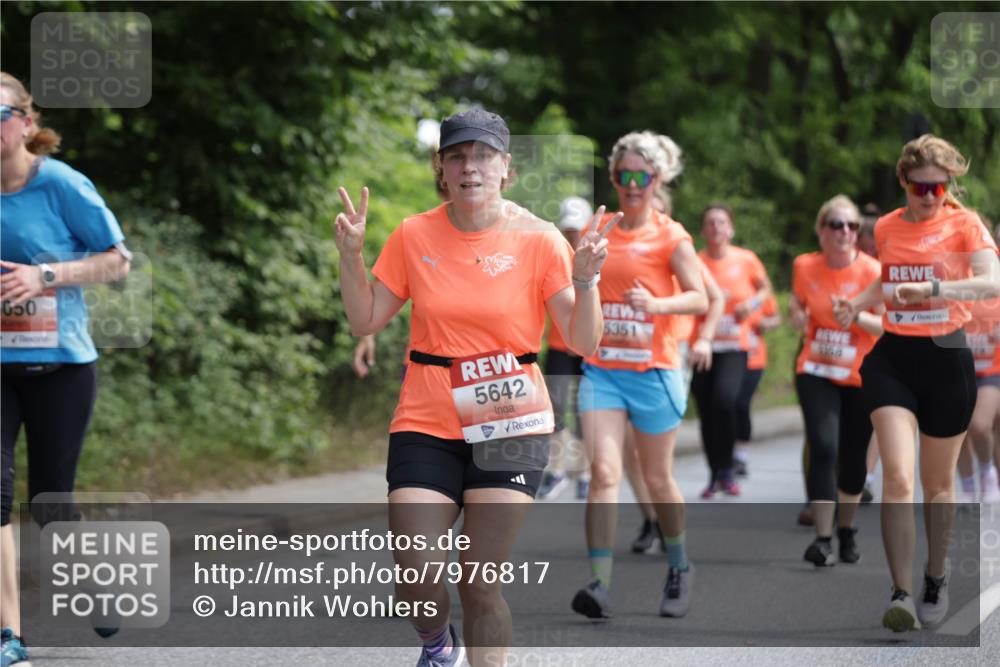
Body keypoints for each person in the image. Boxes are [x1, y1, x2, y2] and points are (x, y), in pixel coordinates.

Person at [334, 108, 617, 667]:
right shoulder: (414, 235)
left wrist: (586, 281)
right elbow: (365, 319)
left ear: (505, 167)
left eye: (483, 155)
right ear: (441, 167)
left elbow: (583, 341)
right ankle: (439, 647)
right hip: (426, 416)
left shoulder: (538, 239)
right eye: (457, 156)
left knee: (479, 582)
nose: (470, 167)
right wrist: (350, 257)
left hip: (510, 419)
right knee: (415, 568)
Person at [833, 134, 1000, 632]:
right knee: (898, 479)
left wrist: (931, 288)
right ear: (904, 181)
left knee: (938, 486)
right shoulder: (885, 226)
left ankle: (936, 574)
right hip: (893, 357)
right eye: (921, 187)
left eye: (940, 187)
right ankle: (901, 592)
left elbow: (991, 282)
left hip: (947, 357)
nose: (930, 197)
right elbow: (888, 280)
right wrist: (860, 303)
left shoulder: (965, 224)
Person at [1, 72, 132, 667]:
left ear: (26, 123)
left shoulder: (60, 184)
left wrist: (44, 276)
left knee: (51, 501)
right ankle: (9, 634)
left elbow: (117, 261)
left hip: (60, 367)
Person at [571, 131, 707, 620]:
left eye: (641, 177)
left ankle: (679, 565)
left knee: (655, 477)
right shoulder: (598, 228)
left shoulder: (672, 235)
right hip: (604, 371)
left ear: (656, 180)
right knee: (604, 473)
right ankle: (600, 584)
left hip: (653, 371)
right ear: (613, 178)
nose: (632, 185)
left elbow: (700, 297)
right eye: (623, 176)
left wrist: (658, 304)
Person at [790, 195, 882, 567]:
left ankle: (847, 529)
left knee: (853, 458)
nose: (844, 232)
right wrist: (796, 313)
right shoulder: (804, 265)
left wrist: (857, 316)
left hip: (861, 373)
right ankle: (823, 538)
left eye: (851, 226)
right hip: (816, 370)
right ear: (821, 230)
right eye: (836, 225)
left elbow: (887, 326)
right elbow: (798, 302)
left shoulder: (873, 270)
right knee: (824, 445)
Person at [691, 204, 772, 498]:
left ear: (731, 229)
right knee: (705, 408)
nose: (715, 228)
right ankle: (715, 474)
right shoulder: (695, 261)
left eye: (721, 222)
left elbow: (765, 290)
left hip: (734, 345)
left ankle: (727, 467)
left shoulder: (746, 259)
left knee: (725, 400)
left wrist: (749, 305)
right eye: (710, 223)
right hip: (703, 344)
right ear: (703, 230)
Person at [538, 196, 593, 501]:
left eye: (577, 229)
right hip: (558, 346)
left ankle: (584, 474)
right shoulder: (553, 255)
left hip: (586, 351)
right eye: (567, 229)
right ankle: (557, 471)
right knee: (556, 412)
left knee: (584, 413)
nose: (572, 235)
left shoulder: (596, 257)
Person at [957, 213, 1000, 504]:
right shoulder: (955, 276)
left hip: (992, 368)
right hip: (959, 367)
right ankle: (969, 484)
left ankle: (988, 474)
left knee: (981, 425)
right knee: (957, 430)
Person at [733, 294, 780, 477]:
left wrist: (765, 323)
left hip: (754, 359)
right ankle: (726, 453)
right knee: (727, 404)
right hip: (730, 357)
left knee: (742, 404)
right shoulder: (729, 286)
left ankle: (741, 456)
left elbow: (776, 318)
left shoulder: (760, 294)